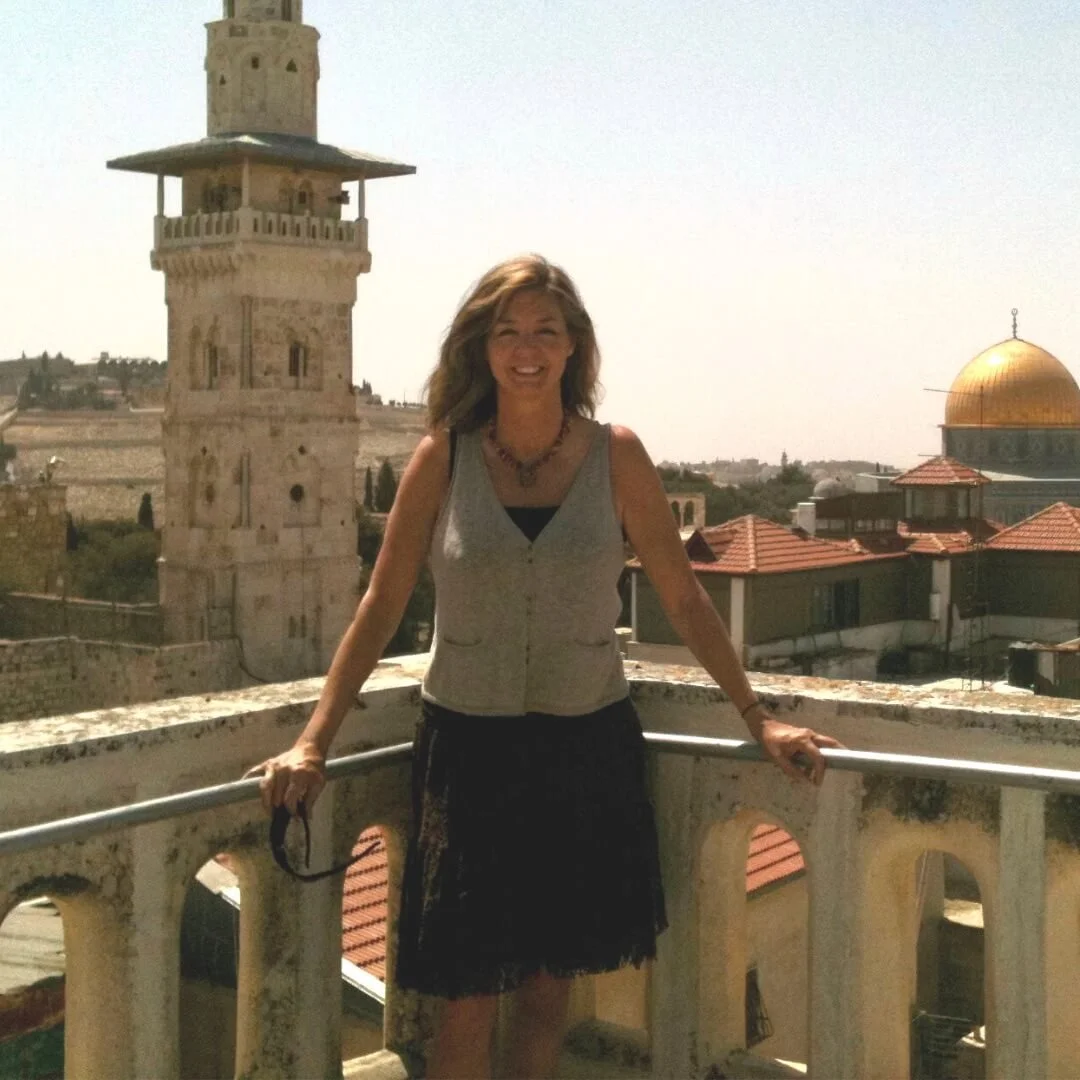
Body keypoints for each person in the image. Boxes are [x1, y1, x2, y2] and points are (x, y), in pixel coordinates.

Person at [248, 253, 840, 1079]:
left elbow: (686, 597)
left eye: (545, 332)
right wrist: (315, 741)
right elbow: (379, 608)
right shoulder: (443, 459)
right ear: (483, 348)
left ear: (573, 349)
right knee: (465, 995)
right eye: (508, 332)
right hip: (470, 753)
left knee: (543, 990)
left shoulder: (617, 456)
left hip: (582, 751)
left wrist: (756, 716)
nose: (526, 349)